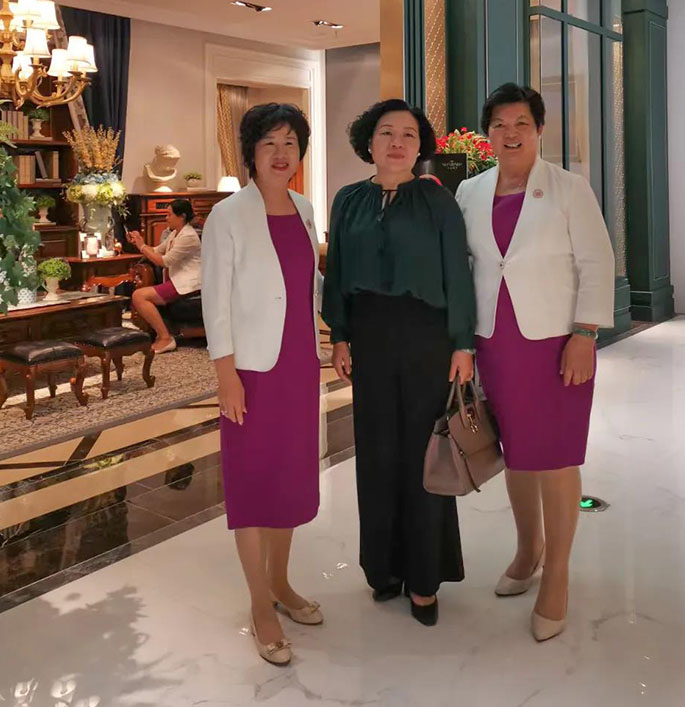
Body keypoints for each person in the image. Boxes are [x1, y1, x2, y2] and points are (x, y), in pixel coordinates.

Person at [456, 82, 615, 642]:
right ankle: (528, 550)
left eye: (521, 123)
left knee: (556, 457)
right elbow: (464, 266)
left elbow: (597, 261)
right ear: (487, 134)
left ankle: (559, 574)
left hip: (555, 343)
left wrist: (585, 333)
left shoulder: (569, 188)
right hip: (495, 343)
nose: (510, 133)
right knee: (517, 454)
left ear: (540, 129)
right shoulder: (470, 191)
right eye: (499, 124)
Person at [322, 98, 476, 627]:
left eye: (408, 134)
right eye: (386, 132)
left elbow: (458, 274)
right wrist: (340, 335)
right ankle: (383, 568)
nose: (396, 142)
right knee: (376, 453)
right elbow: (338, 271)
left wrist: (463, 344)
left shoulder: (437, 202)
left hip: (427, 338)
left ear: (420, 147)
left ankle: (425, 577)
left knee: (424, 455)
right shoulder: (348, 201)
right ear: (369, 142)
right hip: (370, 337)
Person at [200, 103, 322, 668]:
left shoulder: (305, 208)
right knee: (252, 483)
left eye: (290, 143)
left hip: (297, 364)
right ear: (251, 151)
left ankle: (281, 581)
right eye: (270, 142)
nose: (281, 153)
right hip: (249, 369)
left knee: (288, 478)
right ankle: (259, 603)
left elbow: (308, 288)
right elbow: (215, 301)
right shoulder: (226, 216)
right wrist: (225, 374)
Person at [127, 198, 201, 353]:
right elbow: (156, 250)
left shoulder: (188, 236)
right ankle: (163, 335)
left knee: (139, 296)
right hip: (176, 280)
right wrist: (139, 242)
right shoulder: (175, 233)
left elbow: (165, 261)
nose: (166, 218)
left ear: (182, 216)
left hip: (188, 283)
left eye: (169, 214)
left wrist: (142, 246)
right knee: (139, 295)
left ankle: (165, 338)